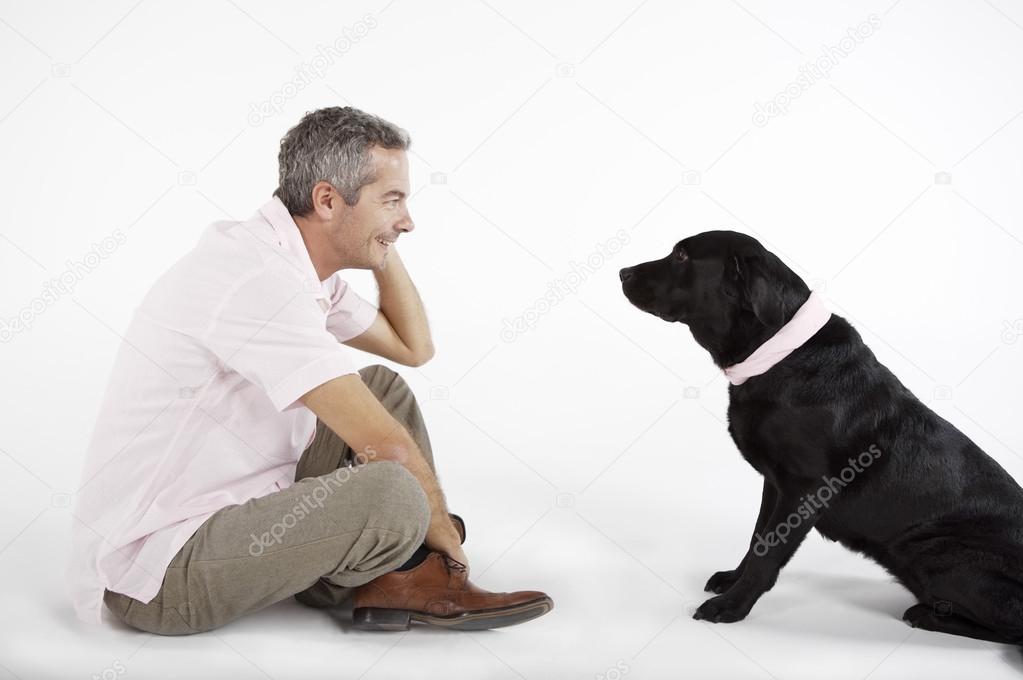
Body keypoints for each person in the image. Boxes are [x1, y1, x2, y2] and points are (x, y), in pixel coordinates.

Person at [67, 106, 553, 634]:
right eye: (392, 200)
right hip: (161, 574)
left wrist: (381, 238)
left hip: (241, 515)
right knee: (393, 488)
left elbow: (413, 348)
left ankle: (395, 578)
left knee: (381, 388)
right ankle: (424, 576)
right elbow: (386, 449)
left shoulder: (300, 266)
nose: (408, 219)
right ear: (326, 200)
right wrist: (448, 543)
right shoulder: (258, 281)